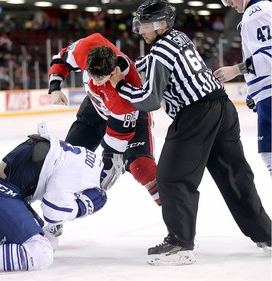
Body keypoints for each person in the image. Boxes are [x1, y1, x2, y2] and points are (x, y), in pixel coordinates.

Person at [109, 0, 272, 266]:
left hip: (197, 115)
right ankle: (266, 234)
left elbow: (150, 100)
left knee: (172, 177)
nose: (141, 31)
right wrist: (129, 66)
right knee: (235, 176)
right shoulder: (179, 38)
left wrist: (119, 86)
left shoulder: (161, 49)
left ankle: (179, 243)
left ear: (161, 24)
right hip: (222, 108)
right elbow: (154, 64)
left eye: (145, 25)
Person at [0, 124, 107, 273]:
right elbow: (53, 213)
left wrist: (57, 224)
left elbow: (52, 229)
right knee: (41, 253)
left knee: (43, 242)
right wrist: (81, 208)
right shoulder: (83, 176)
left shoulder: (84, 161)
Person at [48, 33, 160, 207]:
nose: (96, 82)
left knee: (142, 169)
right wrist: (55, 87)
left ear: (114, 70)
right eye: (92, 76)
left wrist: (110, 160)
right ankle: (55, 218)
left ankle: (176, 215)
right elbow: (60, 60)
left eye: (101, 78)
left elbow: (116, 142)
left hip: (133, 116)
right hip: (95, 109)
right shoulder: (85, 47)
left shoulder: (126, 96)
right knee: (68, 162)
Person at [214, 0, 272, 177]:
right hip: (266, 93)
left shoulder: (256, 13)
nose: (228, 3)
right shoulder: (264, 9)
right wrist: (254, 91)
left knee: (269, 153)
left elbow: (268, 57)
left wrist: (235, 70)